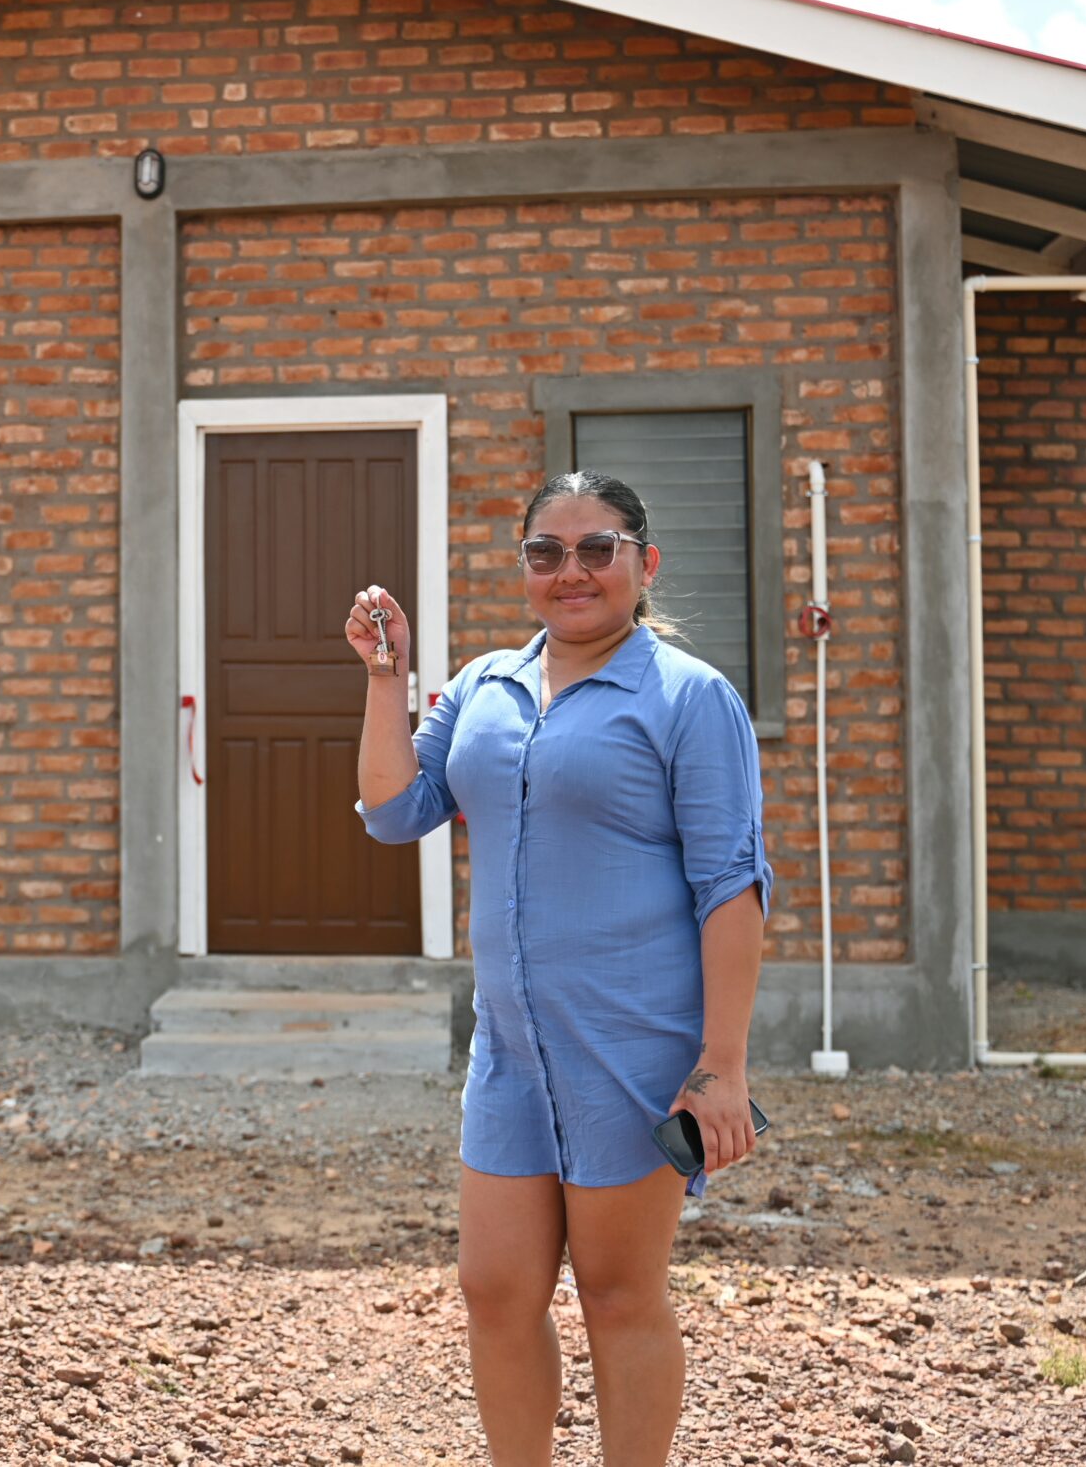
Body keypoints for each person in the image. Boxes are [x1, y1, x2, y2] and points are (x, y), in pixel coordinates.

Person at [348, 469, 772, 1467]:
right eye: (547, 552)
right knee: (494, 1290)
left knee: (620, 1296)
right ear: (525, 568)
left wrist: (722, 1065)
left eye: (597, 549)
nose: (570, 570)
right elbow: (392, 811)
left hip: (634, 1049)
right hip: (509, 1053)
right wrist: (385, 678)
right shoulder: (485, 685)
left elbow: (731, 886)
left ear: (644, 563)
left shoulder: (689, 697)